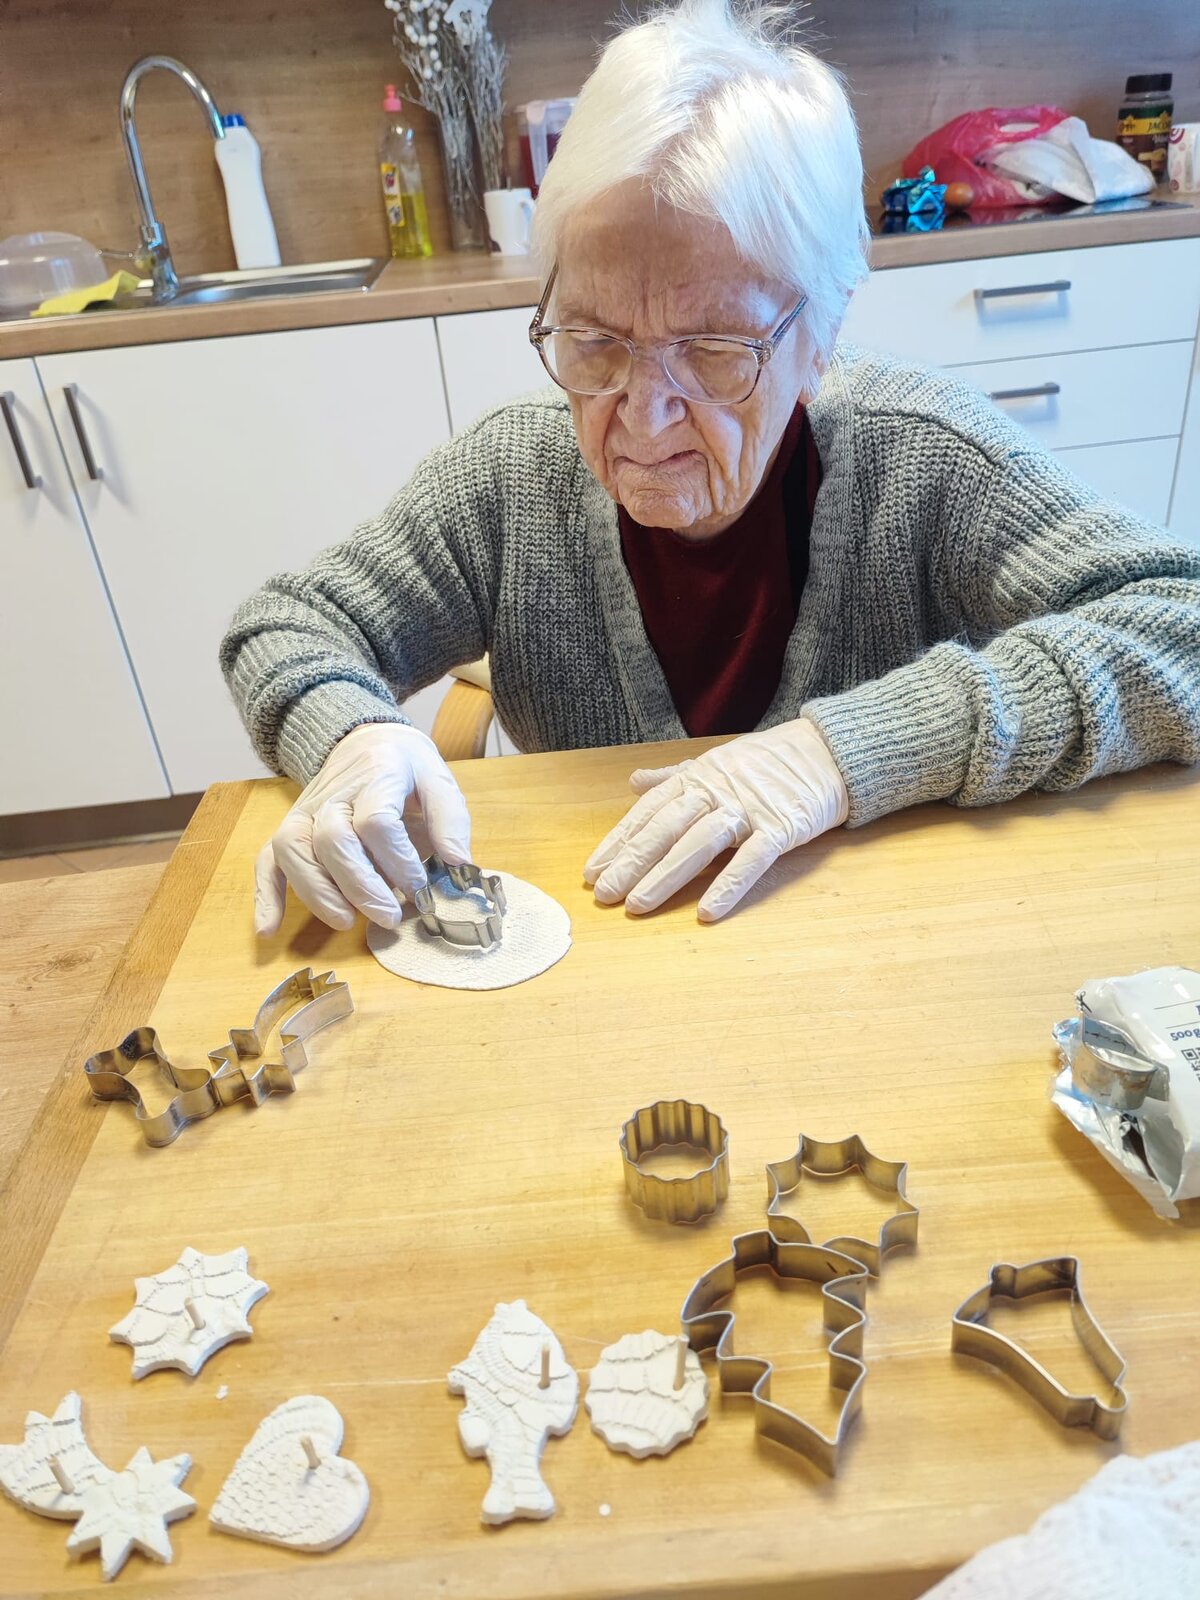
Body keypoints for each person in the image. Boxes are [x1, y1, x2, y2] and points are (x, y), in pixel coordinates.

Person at [222, 0, 1200, 937]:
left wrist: (844, 752)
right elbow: (291, 624)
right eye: (594, 341)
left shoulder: (925, 458)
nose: (643, 415)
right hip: (611, 936)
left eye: (715, 351)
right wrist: (353, 736)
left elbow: (1178, 621)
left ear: (820, 338)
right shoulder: (509, 478)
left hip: (882, 942)